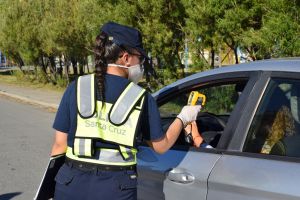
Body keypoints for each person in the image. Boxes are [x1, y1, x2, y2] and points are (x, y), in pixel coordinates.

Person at [50, 21, 201, 200]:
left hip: (71, 183)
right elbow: (161, 146)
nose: (142, 64)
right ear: (126, 57)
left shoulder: (77, 86)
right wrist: (183, 118)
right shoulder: (141, 97)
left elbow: (60, 144)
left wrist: (51, 187)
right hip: (115, 188)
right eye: (141, 58)